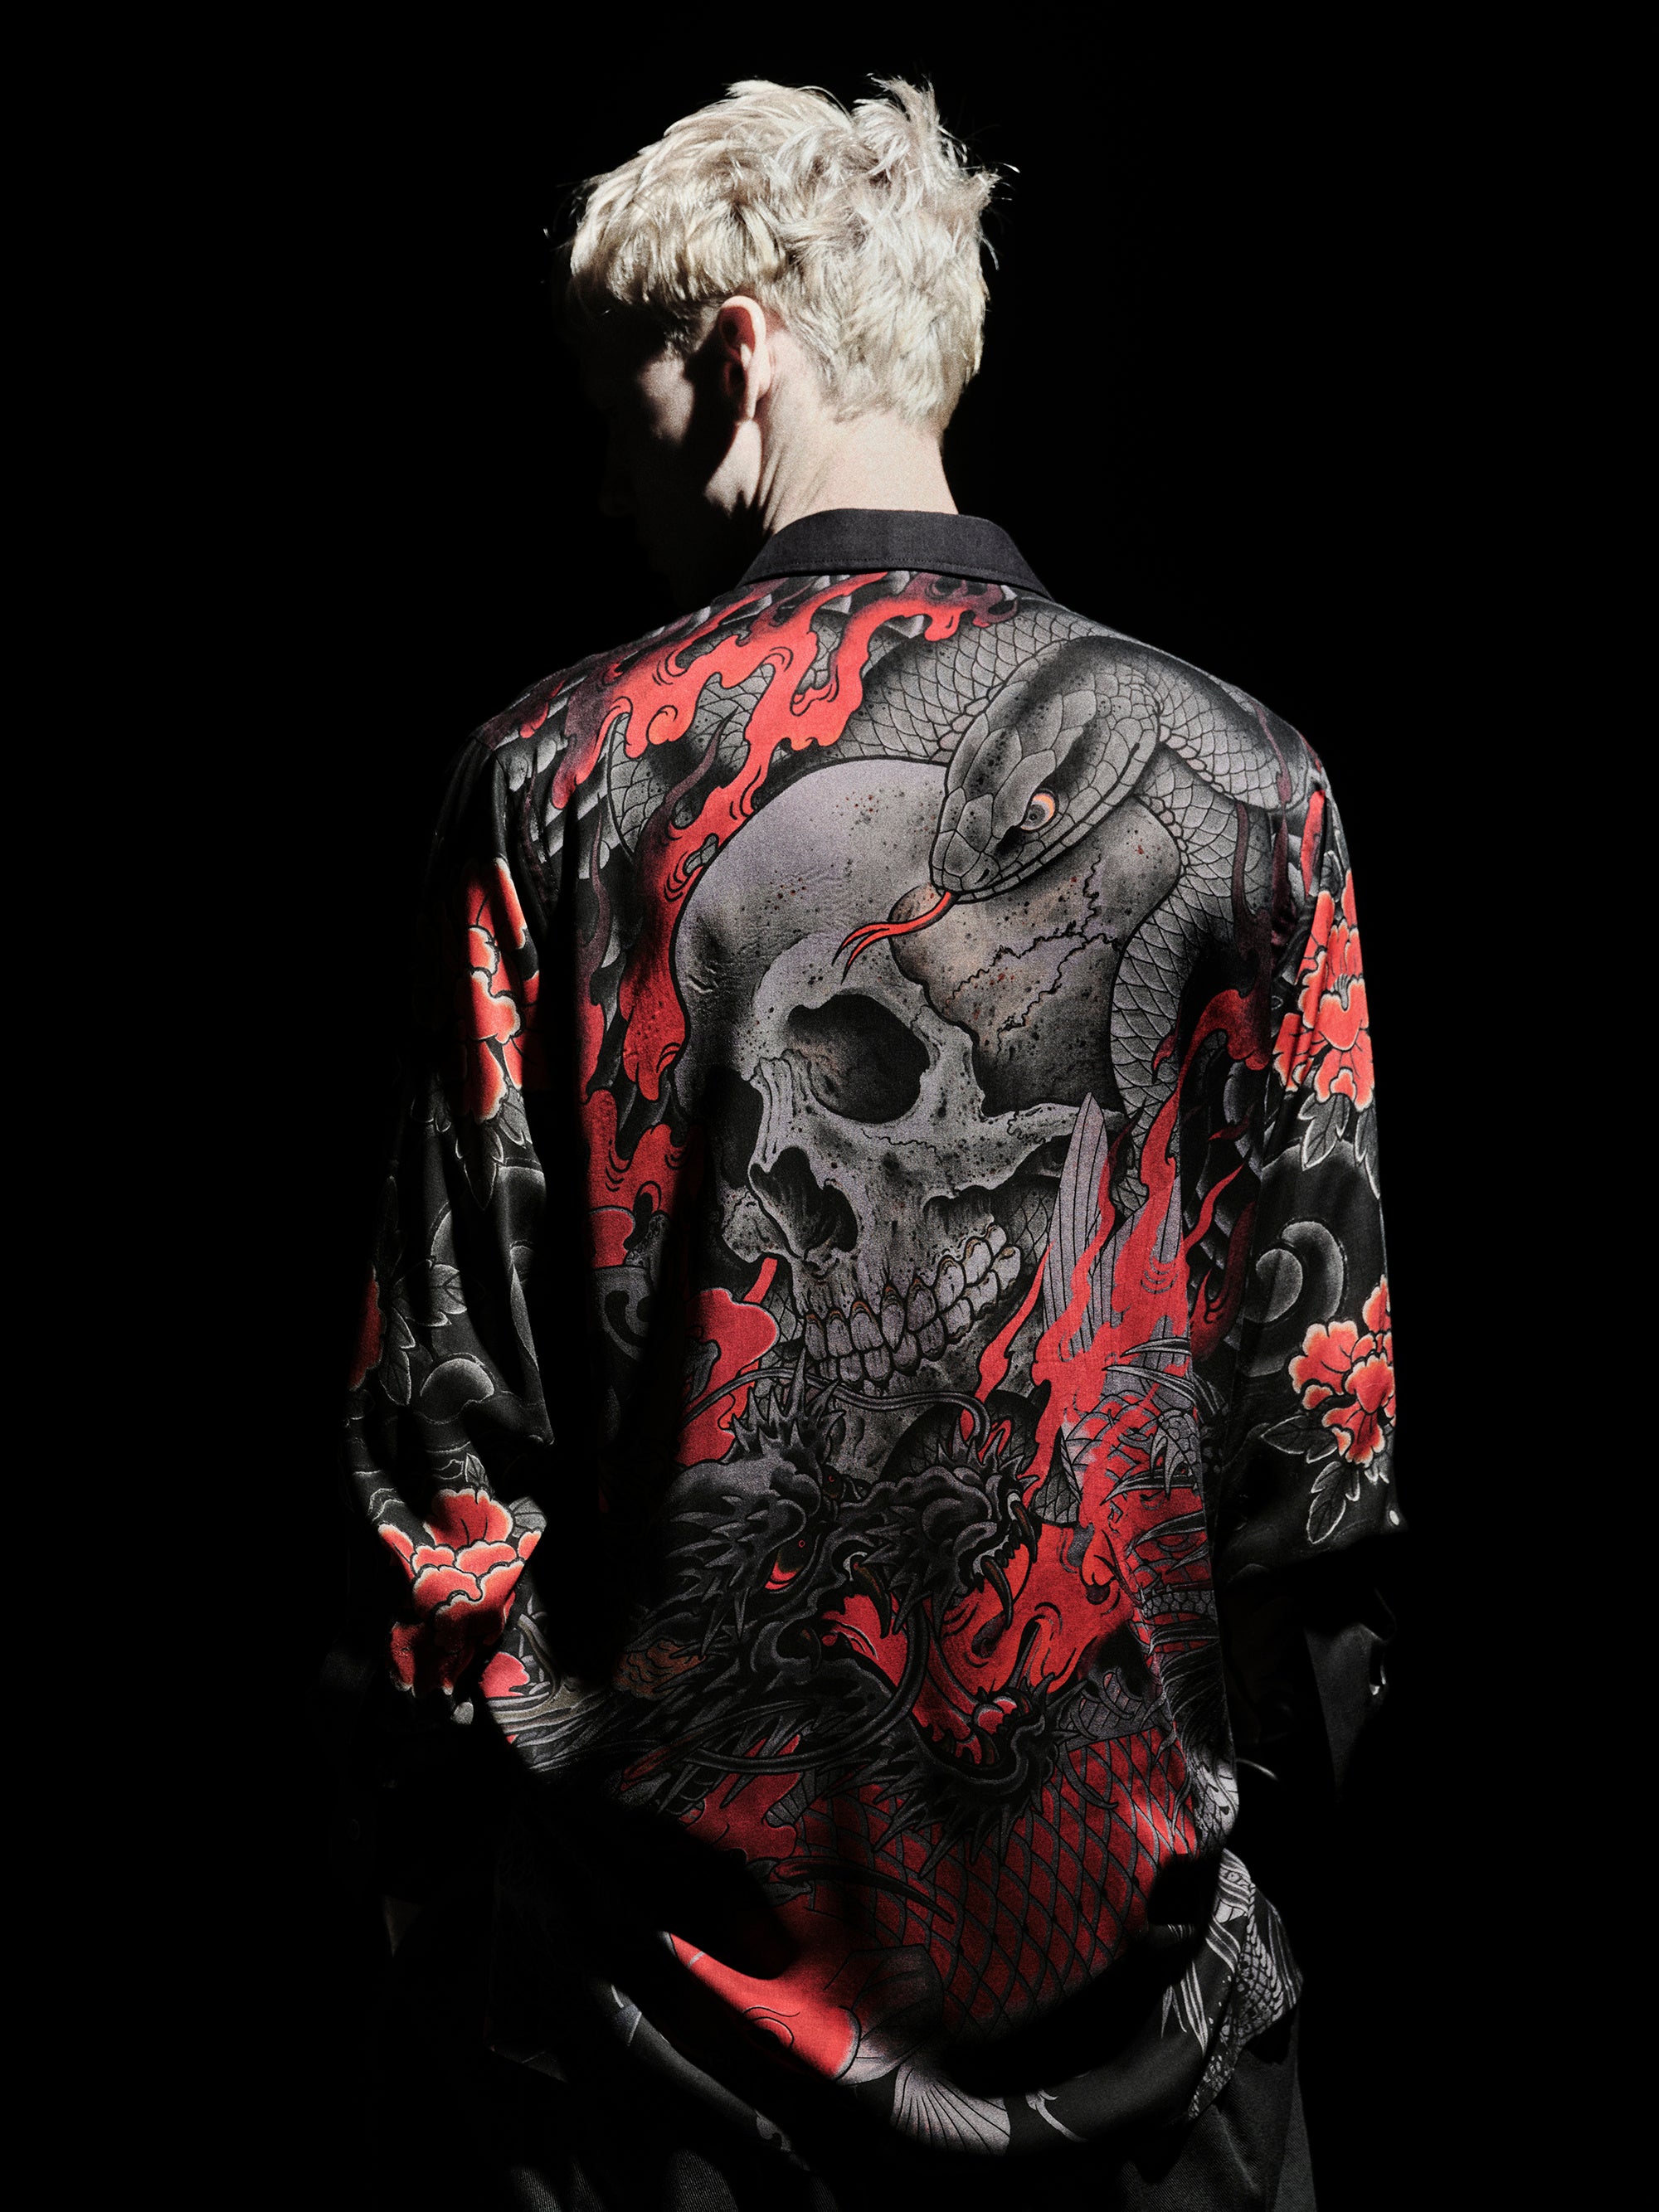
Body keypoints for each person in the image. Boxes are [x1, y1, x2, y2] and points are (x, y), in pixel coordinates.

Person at [336, 77, 1399, 2211]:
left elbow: (437, 1461)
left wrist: (493, 1919)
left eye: (618, 402)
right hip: (1151, 2079)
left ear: (737, 354)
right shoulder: (1251, 783)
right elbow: (1325, 1460)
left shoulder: (550, 783)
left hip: (657, 2069)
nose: (608, 476)